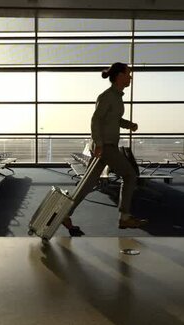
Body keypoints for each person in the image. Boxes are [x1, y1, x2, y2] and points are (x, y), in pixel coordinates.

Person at [63, 62, 148, 235]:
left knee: (87, 184)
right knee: (130, 175)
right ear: (119, 76)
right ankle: (125, 217)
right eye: (128, 74)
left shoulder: (116, 97)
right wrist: (99, 144)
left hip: (106, 146)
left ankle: (65, 214)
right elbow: (96, 120)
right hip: (106, 147)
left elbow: (113, 119)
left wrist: (128, 124)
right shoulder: (107, 96)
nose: (130, 77)